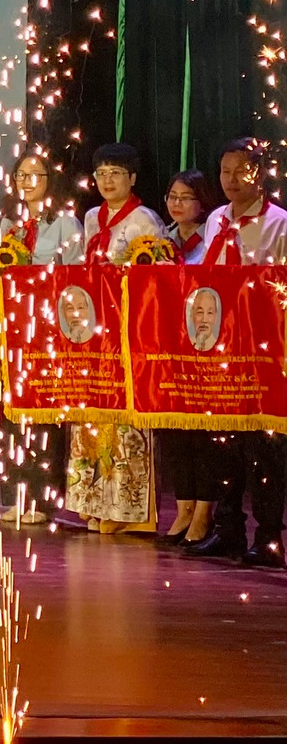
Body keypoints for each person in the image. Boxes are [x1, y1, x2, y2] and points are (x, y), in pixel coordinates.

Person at [189, 137, 287, 566]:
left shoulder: (279, 224)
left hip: (263, 351)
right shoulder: (215, 220)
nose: (230, 180)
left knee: (264, 447)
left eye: (239, 171)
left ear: (259, 175)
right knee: (222, 441)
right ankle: (227, 528)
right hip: (221, 347)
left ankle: (269, 537)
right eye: (224, 171)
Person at [67, 143, 162, 534]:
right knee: (91, 417)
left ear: (132, 178)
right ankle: (91, 500)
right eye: (101, 173)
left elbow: (156, 280)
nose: (107, 181)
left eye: (116, 173)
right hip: (93, 330)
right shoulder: (92, 217)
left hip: (127, 332)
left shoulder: (144, 220)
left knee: (124, 422)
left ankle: (126, 510)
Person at [0, 147, 83, 524]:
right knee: (12, 414)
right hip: (11, 330)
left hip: (48, 331)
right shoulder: (7, 224)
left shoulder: (65, 223)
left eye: (35, 175)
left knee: (44, 415)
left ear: (50, 180)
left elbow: (76, 277)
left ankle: (43, 499)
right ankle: (17, 495)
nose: (27, 182)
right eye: (21, 176)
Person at [157, 168, 215, 545]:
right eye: (172, 197)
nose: (177, 204)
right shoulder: (161, 239)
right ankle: (183, 509)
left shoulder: (212, 238)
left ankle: (204, 513)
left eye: (186, 197)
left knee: (202, 433)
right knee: (174, 429)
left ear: (202, 202)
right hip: (168, 345)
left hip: (204, 345)